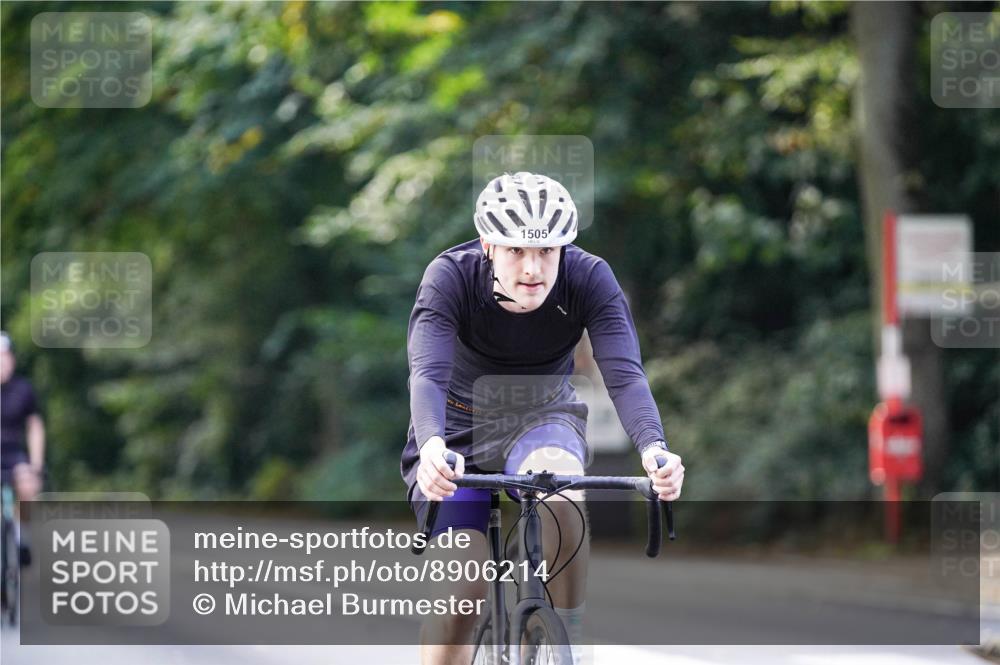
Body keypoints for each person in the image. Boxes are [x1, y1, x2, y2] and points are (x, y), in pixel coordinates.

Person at [400, 172, 684, 665]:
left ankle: (566, 635)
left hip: (543, 415)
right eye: (515, 251)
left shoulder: (589, 277)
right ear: (488, 244)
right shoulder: (450, 276)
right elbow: (427, 374)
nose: (533, 268)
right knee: (462, 587)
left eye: (547, 251)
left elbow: (625, 373)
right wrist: (429, 447)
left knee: (562, 491)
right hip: (454, 433)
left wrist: (654, 447)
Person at [0, 331, 45, 565]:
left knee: (29, 484)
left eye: (4, 357)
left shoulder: (23, 390)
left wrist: (36, 464)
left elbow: (34, 426)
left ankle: (20, 536)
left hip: (13, 454)